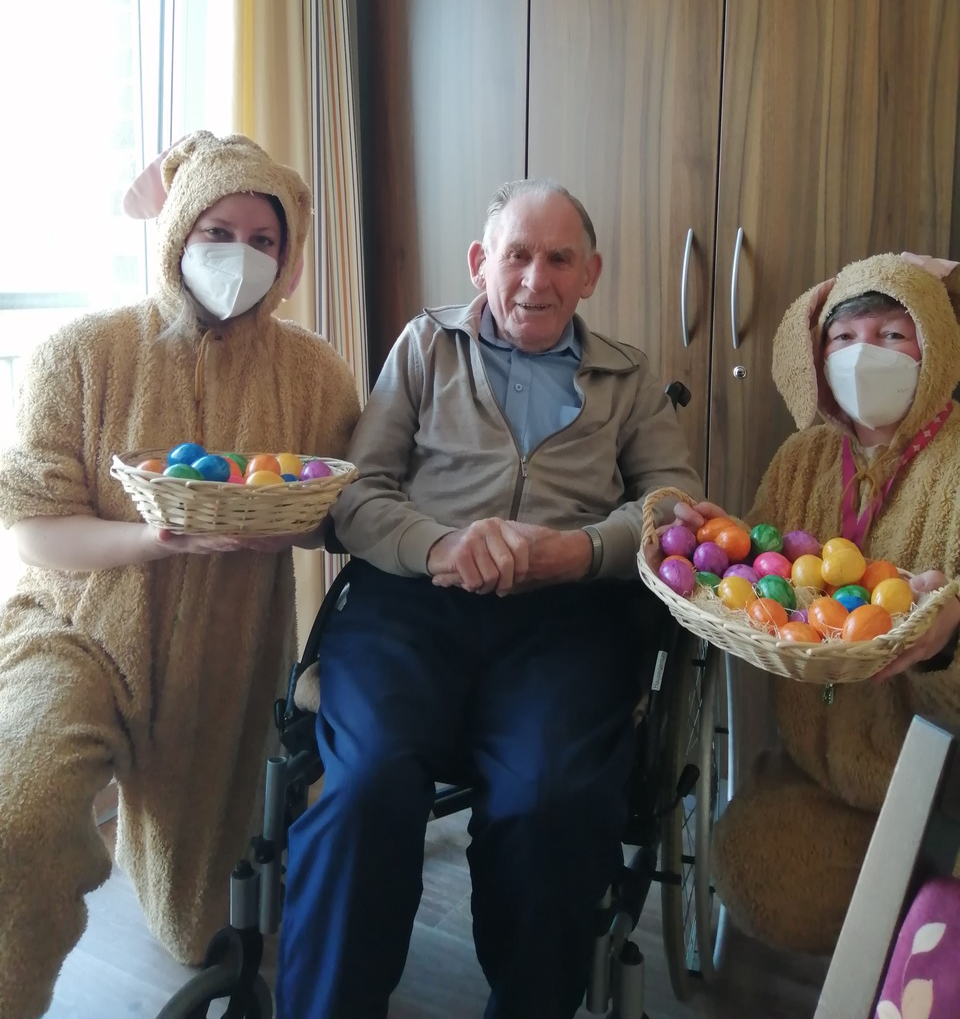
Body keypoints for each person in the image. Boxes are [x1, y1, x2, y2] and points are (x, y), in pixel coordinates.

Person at [275, 178, 703, 1019]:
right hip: (411, 604)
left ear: (591, 274)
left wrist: (575, 552)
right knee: (366, 787)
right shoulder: (425, 347)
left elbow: (674, 510)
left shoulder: (629, 377)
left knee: (549, 800)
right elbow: (358, 497)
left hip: (566, 622)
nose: (535, 280)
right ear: (481, 264)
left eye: (558, 259)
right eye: (516, 255)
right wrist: (442, 544)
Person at [0, 130, 360, 1018]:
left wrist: (295, 522)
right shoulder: (81, 356)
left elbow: (346, 504)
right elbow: (36, 530)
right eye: (216, 230)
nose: (239, 255)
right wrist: (152, 542)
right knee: (23, 817)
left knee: (206, 924)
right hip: (75, 631)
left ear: (287, 258)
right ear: (176, 236)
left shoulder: (312, 373)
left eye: (263, 240)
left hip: (227, 655)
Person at [688, 252, 960, 954]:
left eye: (893, 336)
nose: (866, 355)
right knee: (756, 866)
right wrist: (726, 550)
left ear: (934, 345)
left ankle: (920, 919)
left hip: (939, 779)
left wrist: (947, 640)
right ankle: (907, 924)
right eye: (844, 338)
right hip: (821, 773)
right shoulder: (802, 458)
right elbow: (767, 579)